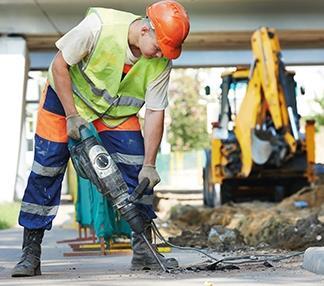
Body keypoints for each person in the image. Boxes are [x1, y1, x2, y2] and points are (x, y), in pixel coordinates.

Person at [11, 0, 190, 277]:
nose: (160, 55)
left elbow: (155, 112)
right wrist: (71, 116)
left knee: (138, 172)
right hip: (64, 102)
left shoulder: (161, 60)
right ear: (145, 30)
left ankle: (144, 251)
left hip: (114, 113)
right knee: (45, 171)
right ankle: (30, 254)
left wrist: (150, 164)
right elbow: (59, 65)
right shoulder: (100, 26)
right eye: (159, 47)